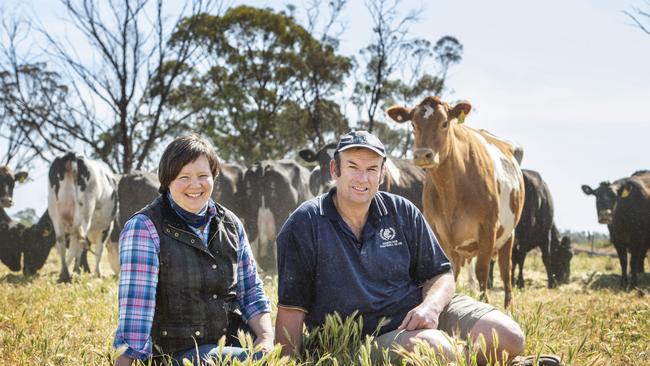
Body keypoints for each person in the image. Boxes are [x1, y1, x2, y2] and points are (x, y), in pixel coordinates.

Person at [274, 130, 562, 366]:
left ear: (383, 174)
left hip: (420, 310)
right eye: (353, 167)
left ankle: (497, 359)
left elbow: (441, 274)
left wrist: (431, 307)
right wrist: (287, 362)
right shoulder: (306, 223)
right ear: (335, 169)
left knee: (509, 336)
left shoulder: (401, 211)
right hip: (362, 337)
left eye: (371, 169)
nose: (363, 178)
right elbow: (291, 309)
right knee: (437, 349)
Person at [113, 135, 273, 366]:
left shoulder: (230, 223)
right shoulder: (144, 228)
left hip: (234, 345)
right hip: (179, 355)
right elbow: (135, 314)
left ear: (214, 177)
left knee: (293, 348)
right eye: (183, 177)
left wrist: (266, 337)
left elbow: (251, 292)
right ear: (167, 181)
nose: (195, 185)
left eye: (202, 176)